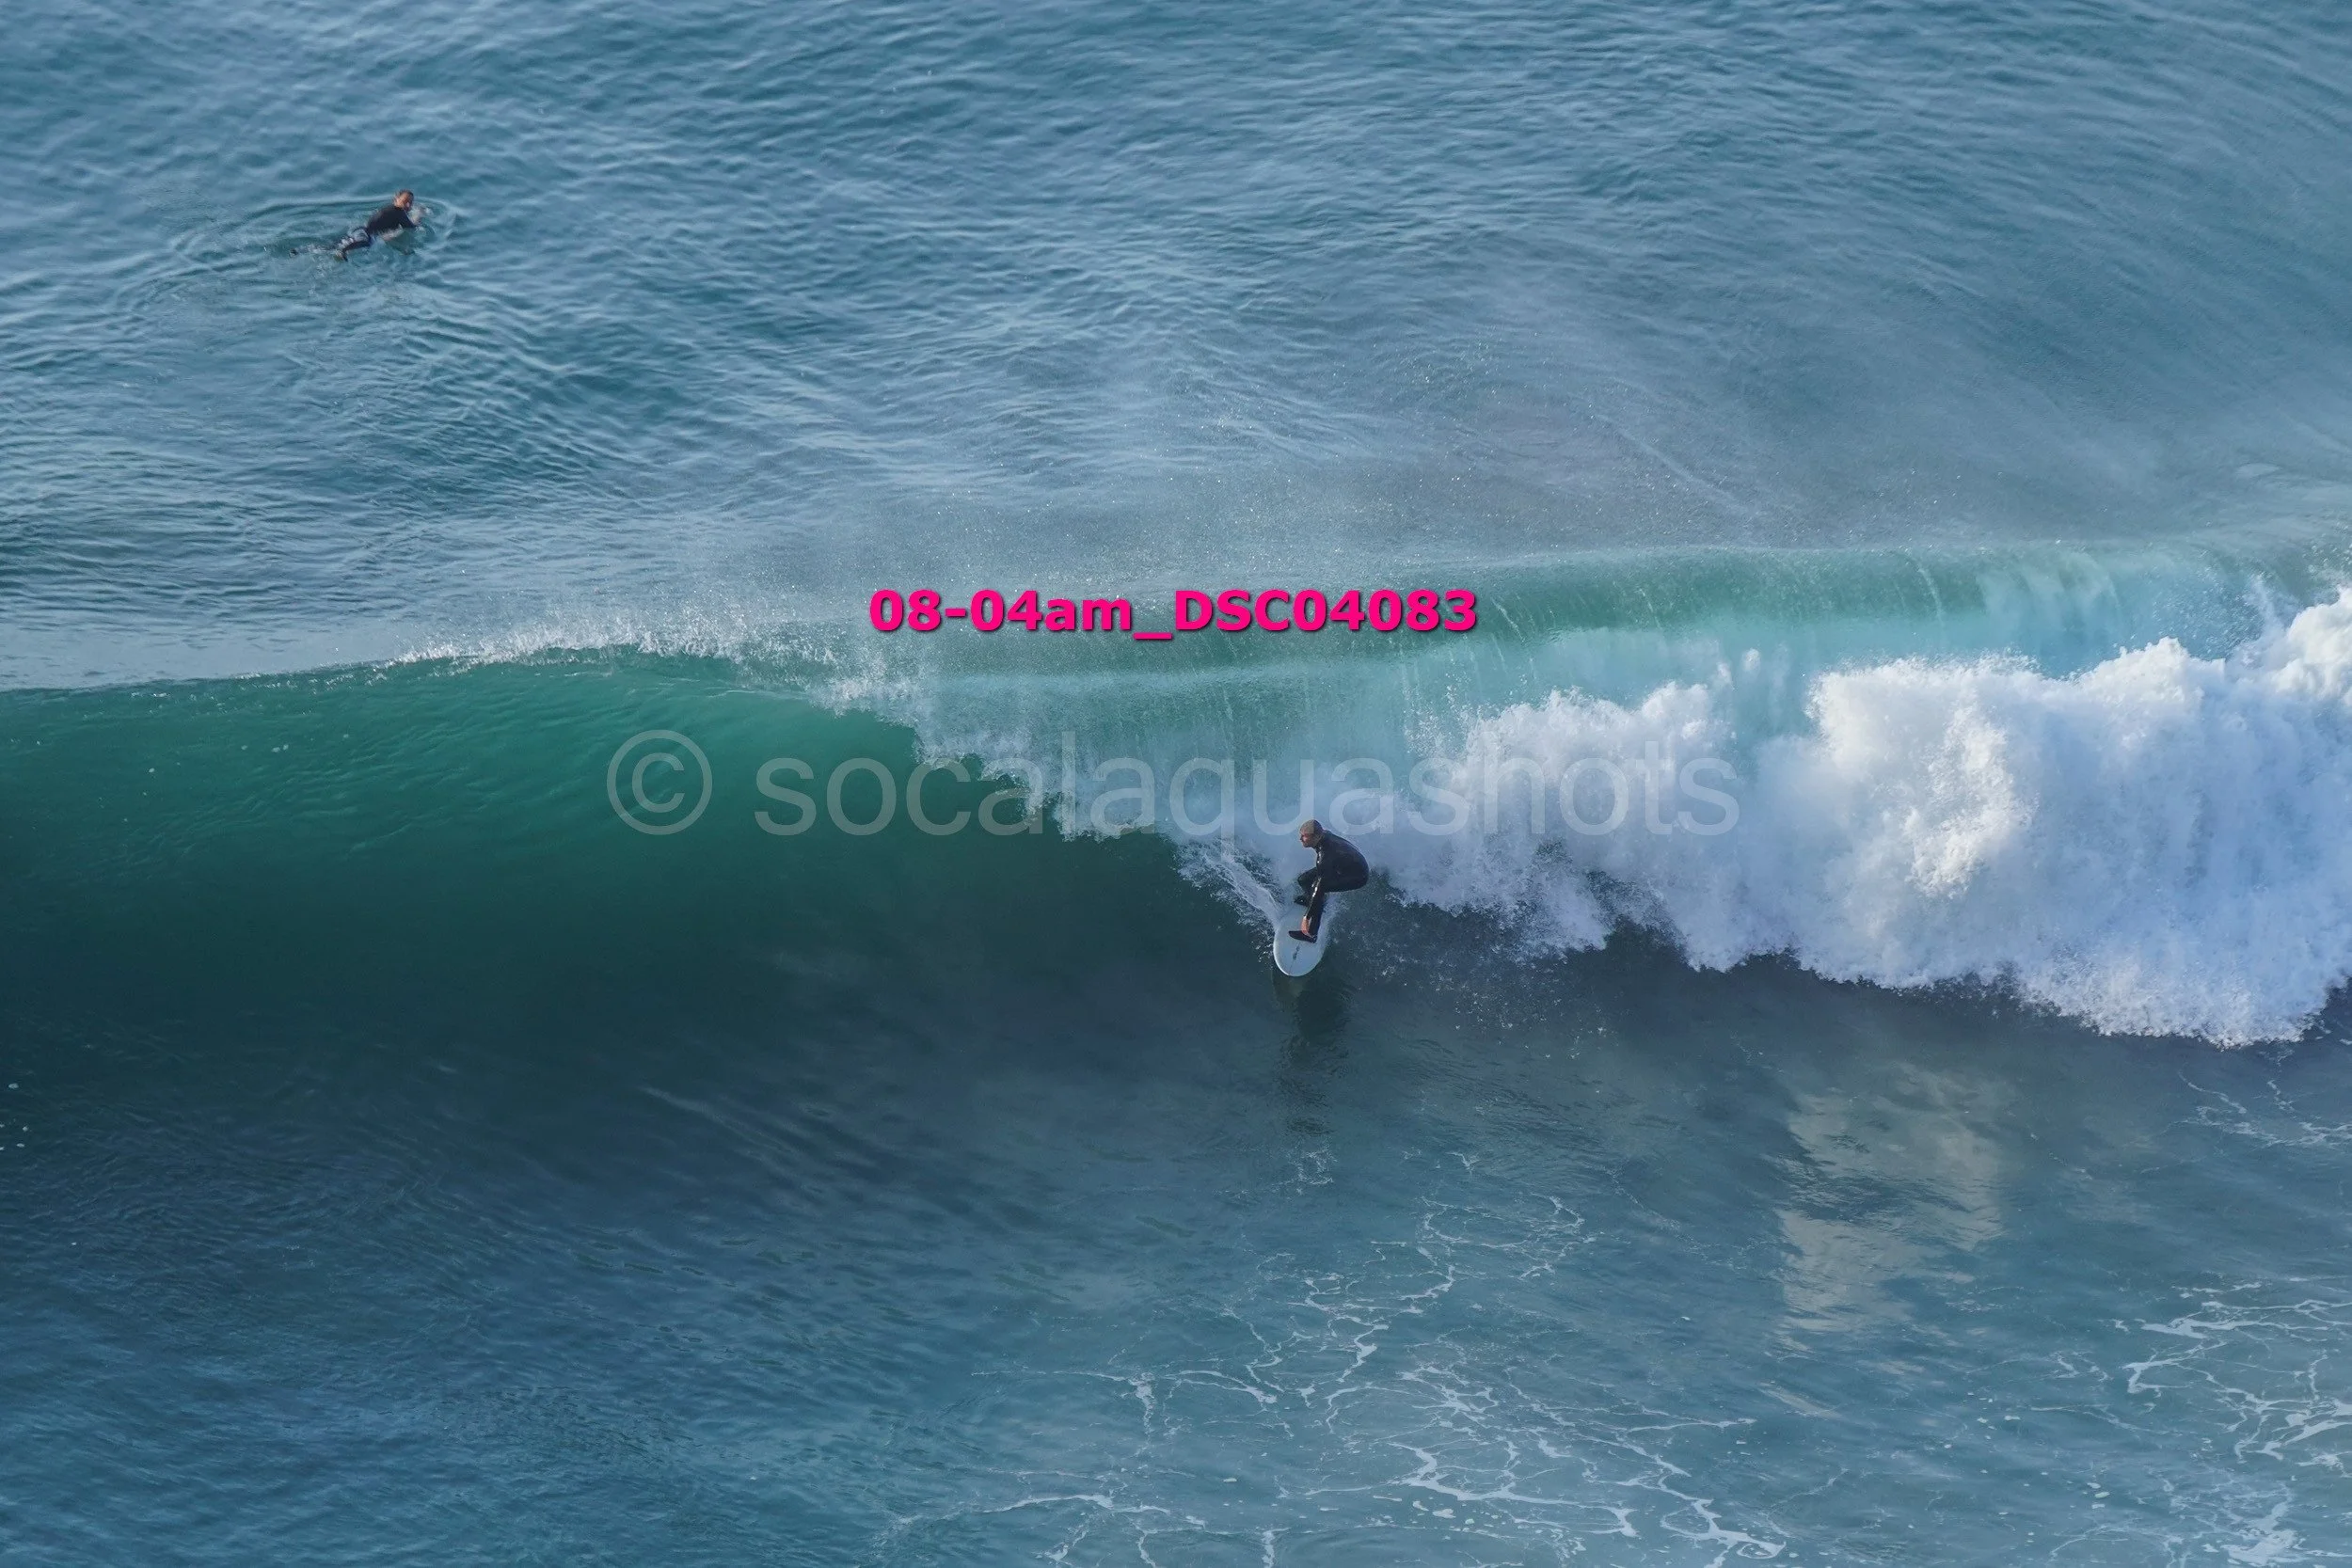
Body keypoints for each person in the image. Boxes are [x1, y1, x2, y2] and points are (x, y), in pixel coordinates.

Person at [1290, 818, 1368, 943]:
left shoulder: (1325, 855)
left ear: (1316, 837)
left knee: (1317, 890)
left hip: (1357, 876)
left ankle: (1311, 934)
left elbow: (1319, 886)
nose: (1300, 839)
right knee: (1303, 880)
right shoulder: (1322, 835)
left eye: (1304, 836)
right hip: (1340, 865)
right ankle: (1310, 900)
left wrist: (1306, 917)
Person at [333, 191, 418, 259]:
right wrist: (418, 215)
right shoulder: (399, 212)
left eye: (411, 203)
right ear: (396, 199)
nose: (408, 205)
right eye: (405, 201)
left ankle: (338, 249)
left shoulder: (391, 209)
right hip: (364, 234)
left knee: (334, 247)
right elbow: (411, 227)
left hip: (359, 230)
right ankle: (343, 251)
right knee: (366, 243)